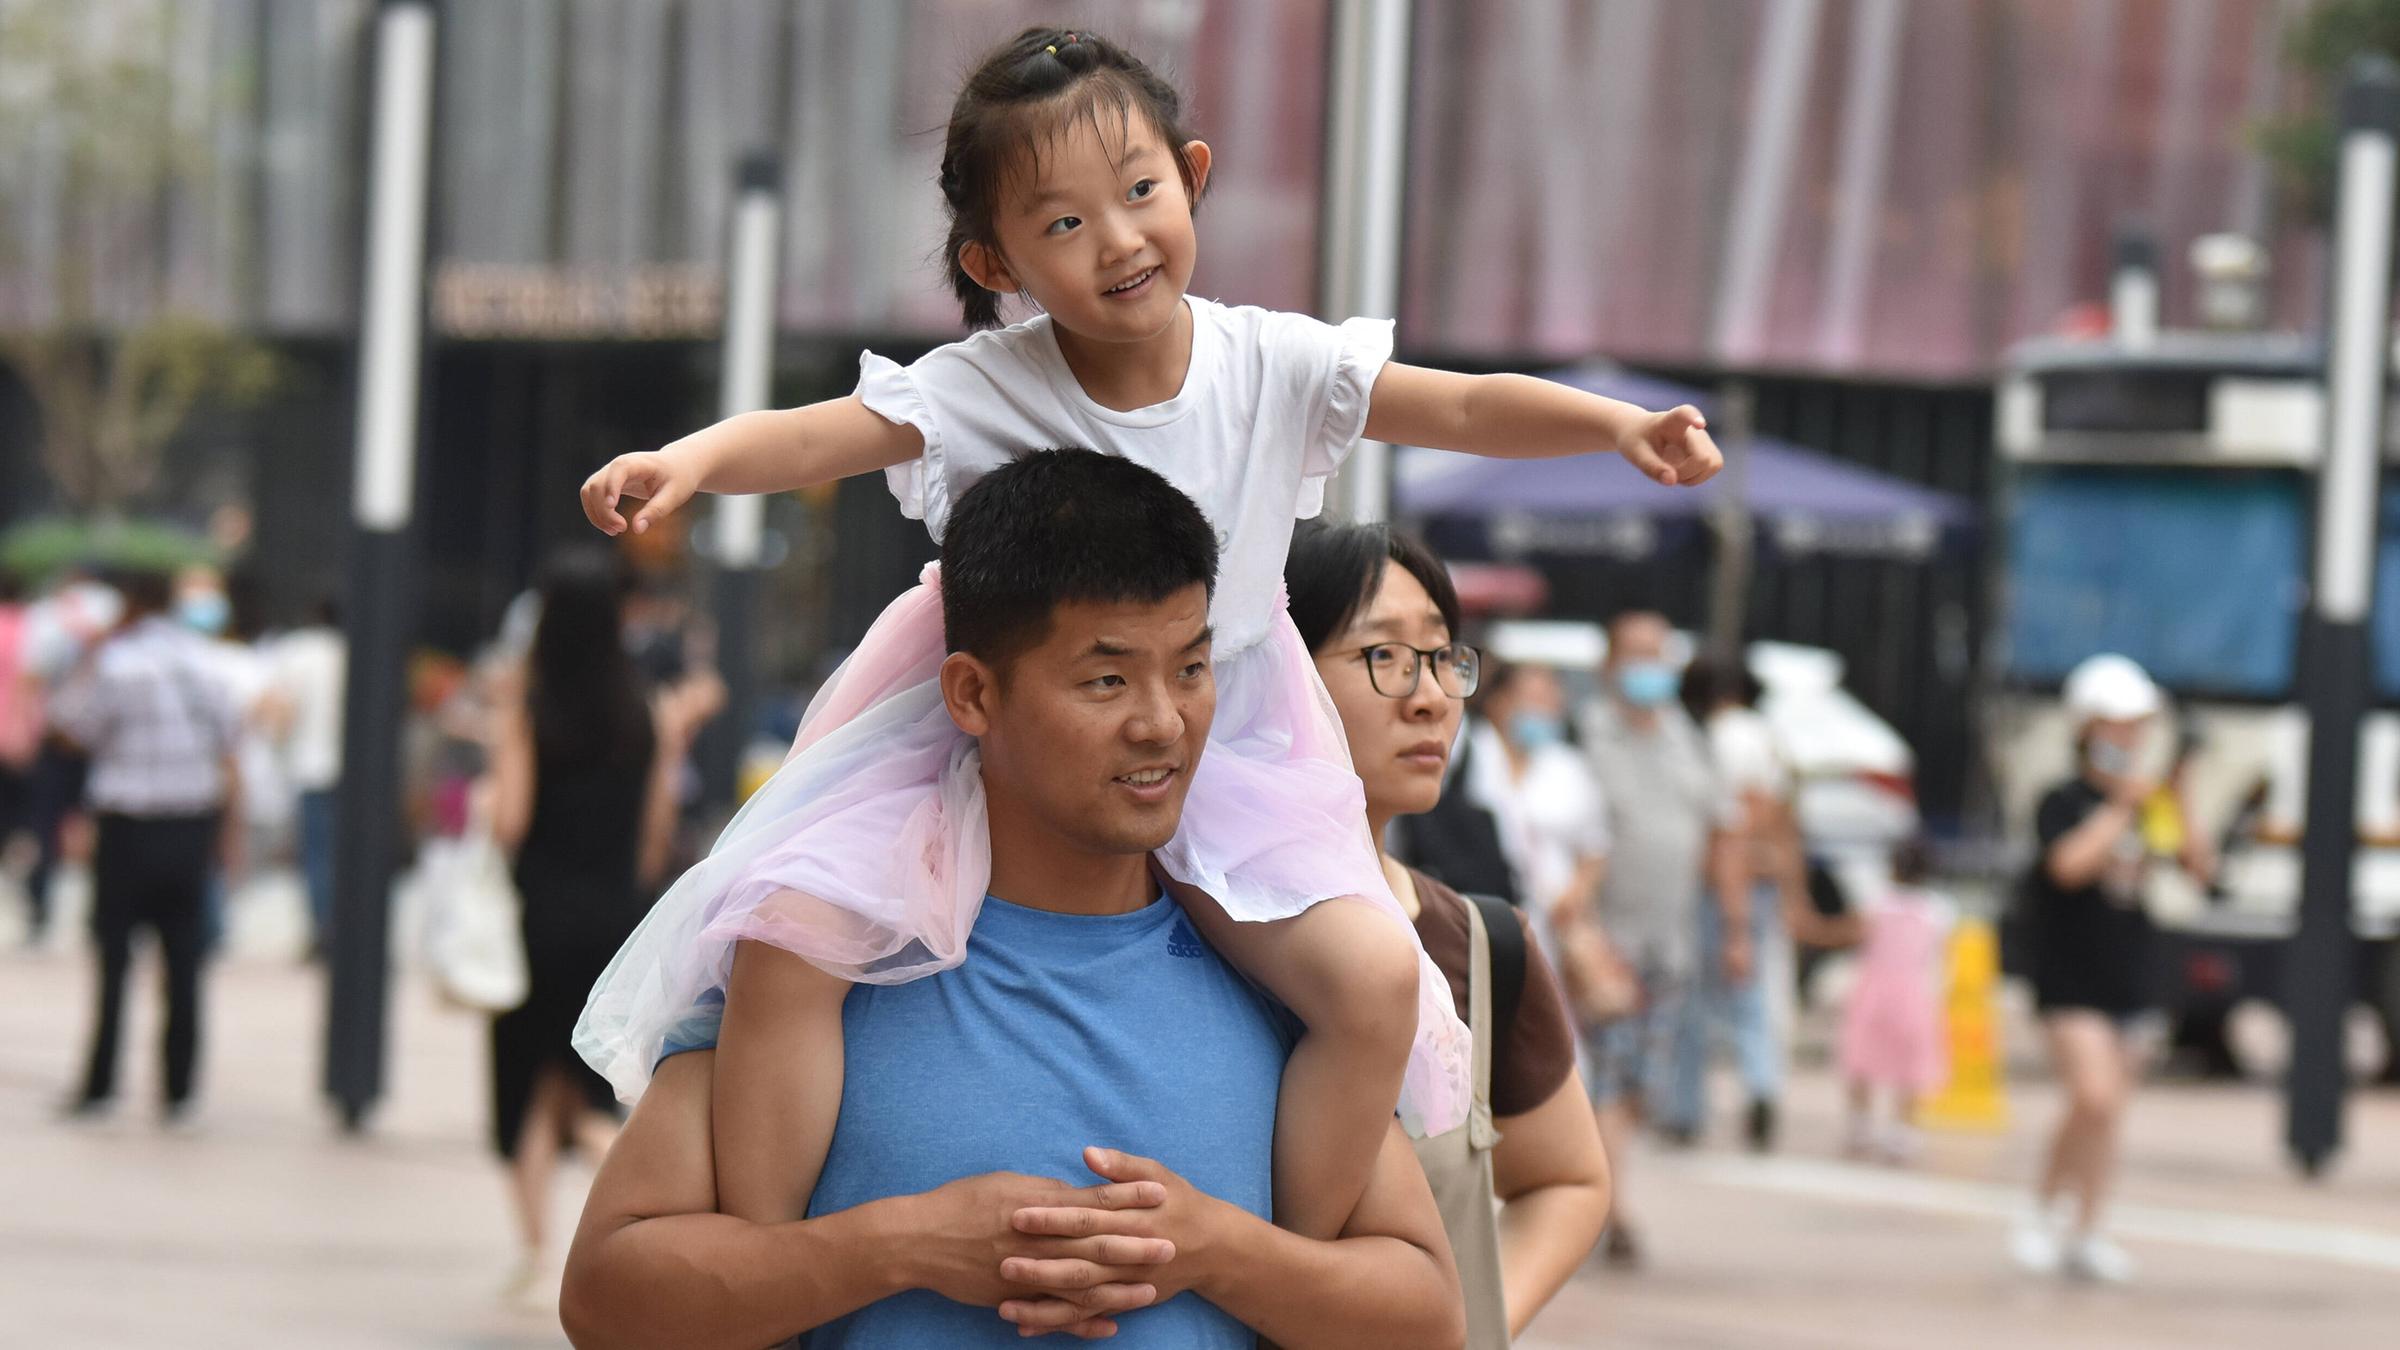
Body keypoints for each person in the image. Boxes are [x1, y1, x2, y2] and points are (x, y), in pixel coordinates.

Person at [575, 24, 1721, 1244]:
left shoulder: (1271, 360)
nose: (1118, 239)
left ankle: (1298, 1254)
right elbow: (819, 436)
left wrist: (1617, 427)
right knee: (788, 939)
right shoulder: (982, 383)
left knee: (1379, 982)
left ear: (1195, 173)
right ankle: (776, 1264)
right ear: (993, 257)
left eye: (1139, 192)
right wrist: (687, 461)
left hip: (1230, 748)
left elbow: (1462, 404)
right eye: (1061, 224)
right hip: (986, 741)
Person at [559, 450, 1465, 1349]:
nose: (1163, 722)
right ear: (973, 694)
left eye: (1190, 668)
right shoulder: (822, 948)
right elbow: (605, 1299)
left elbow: (1429, 1316)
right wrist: (898, 1245)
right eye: (1105, 679)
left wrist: (1220, 1250)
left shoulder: (1281, 971)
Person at [1287, 518, 1611, 1346]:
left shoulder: (1478, 939)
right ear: (1278, 674)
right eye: (1384, 656)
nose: (1431, 694)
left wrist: (1466, 1324)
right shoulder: (1188, 924)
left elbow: (1568, 1179)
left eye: (1441, 656)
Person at [483, 546, 723, 1300]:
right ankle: (600, 1222)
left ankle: (536, 1251)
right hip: (613, 916)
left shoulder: (531, 708)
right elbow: (656, 830)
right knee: (580, 1086)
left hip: (539, 921)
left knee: (526, 1089)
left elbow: (511, 820)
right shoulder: (642, 710)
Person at [2010, 654, 2207, 1285]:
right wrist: (2121, 806)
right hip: (2069, 971)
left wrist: (2180, 798)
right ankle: (2045, 1210)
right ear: (2087, 727)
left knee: (2109, 1108)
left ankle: (2089, 1228)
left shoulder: (2149, 801)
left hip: (2130, 965)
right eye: (2118, 724)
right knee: (2092, 1095)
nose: (2130, 737)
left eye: (2138, 725)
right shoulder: (2061, 800)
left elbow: (2197, 867)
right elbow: (2067, 866)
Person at [1575, 610, 1750, 1267]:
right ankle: (1601, 1208)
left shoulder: (1687, 738)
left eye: (1658, 654)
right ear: (1610, 663)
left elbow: (1722, 834)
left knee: (1637, 1085)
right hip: (1598, 945)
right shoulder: (1585, 735)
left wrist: (1735, 930)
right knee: (1604, 1078)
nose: (1648, 668)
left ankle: (1603, 1201)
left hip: (1668, 945)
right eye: (1636, 654)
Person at [50, 567, 243, 1126]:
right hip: (189, 824)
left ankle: (101, 1083)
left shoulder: (118, 662)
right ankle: (179, 1089)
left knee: (114, 960)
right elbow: (230, 743)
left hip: (127, 826)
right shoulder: (208, 661)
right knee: (184, 961)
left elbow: (71, 725)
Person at [1663, 657, 1800, 1152]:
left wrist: (1731, 905)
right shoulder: (1766, 738)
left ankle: (1685, 1108)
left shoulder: (1716, 740)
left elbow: (1729, 829)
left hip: (1719, 882)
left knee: (1697, 1002)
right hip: (1759, 880)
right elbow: (1780, 817)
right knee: (1752, 999)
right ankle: (1762, 1085)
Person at [1835, 836, 1954, 1165]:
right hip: (1915, 991)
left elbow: (1856, 936)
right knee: (1909, 1064)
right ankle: (1903, 1128)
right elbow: (1941, 956)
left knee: (1862, 1055)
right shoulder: (1937, 910)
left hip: (1875, 988)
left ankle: (1860, 1122)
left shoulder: (1877, 902)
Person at [271, 594, 346, 955]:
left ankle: (322, 929)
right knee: (343, 854)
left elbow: (282, 710)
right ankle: (339, 927)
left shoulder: (298, 651)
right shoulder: (358, 651)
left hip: (312, 767)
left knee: (317, 855)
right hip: (352, 774)